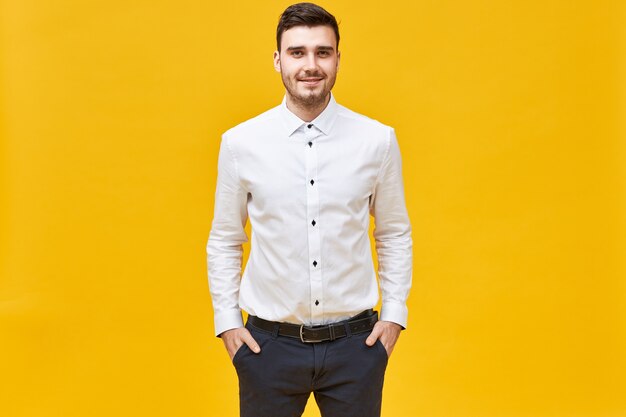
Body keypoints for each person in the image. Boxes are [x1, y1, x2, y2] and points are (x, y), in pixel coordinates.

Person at [206, 3, 412, 416]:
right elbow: (226, 238)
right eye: (297, 52)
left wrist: (394, 315)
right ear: (278, 60)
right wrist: (227, 320)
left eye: (323, 52)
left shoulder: (377, 140)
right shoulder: (240, 143)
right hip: (268, 348)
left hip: (357, 347)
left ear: (338, 58)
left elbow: (393, 232)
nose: (310, 65)